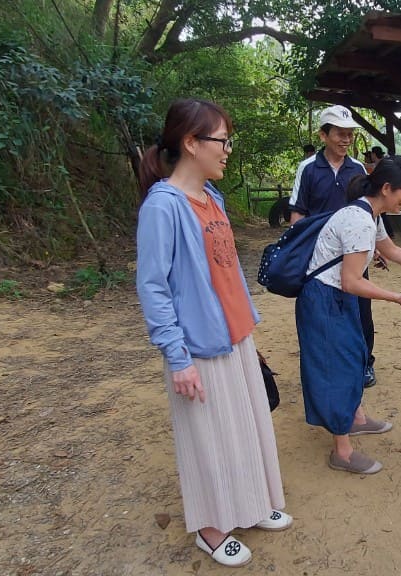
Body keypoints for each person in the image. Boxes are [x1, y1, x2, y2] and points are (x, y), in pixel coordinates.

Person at [135, 99, 289, 568]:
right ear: (190, 143)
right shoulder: (163, 207)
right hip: (196, 346)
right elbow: (153, 286)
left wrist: (249, 335)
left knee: (244, 427)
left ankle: (250, 505)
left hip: (235, 336)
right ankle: (209, 528)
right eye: (221, 141)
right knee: (207, 438)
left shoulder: (213, 199)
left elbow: (227, 276)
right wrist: (176, 357)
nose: (227, 151)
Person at [295, 156, 401, 474]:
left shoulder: (371, 213)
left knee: (356, 355)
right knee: (337, 367)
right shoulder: (358, 220)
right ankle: (342, 451)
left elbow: (390, 250)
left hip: (339, 297)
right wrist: (399, 298)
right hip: (324, 299)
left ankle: (356, 418)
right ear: (386, 188)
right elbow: (351, 281)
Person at [288, 105, 382, 388]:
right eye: (340, 134)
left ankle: (365, 363)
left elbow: (371, 210)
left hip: (354, 254)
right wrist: (299, 251)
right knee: (323, 313)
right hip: (320, 259)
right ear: (323, 135)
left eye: (349, 134)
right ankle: (326, 366)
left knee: (361, 310)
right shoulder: (307, 169)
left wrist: (375, 245)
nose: (345, 139)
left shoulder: (358, 170)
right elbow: (297, 214)